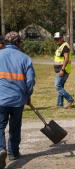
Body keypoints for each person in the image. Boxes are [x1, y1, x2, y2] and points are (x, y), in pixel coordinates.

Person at [0, 32, 35, 168]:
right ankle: (13, 152)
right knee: (15, 127)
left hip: (1, 99)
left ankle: (1, 149)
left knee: (0, 126)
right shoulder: (25, 58)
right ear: (19, 43)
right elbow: (30, 81)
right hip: (17, 100)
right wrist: (28, 95)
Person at [53, 32, 74, 109]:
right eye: (55, 39)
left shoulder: (65, 46)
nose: (56, 40)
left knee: (57, 86)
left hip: (63, 70)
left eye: (58, 39)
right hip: (60, 70)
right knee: (60, 86)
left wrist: (62, 69)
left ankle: (70, 99)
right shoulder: (60, 46)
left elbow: (66, 58)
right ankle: (60, 104)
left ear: (62, 38)